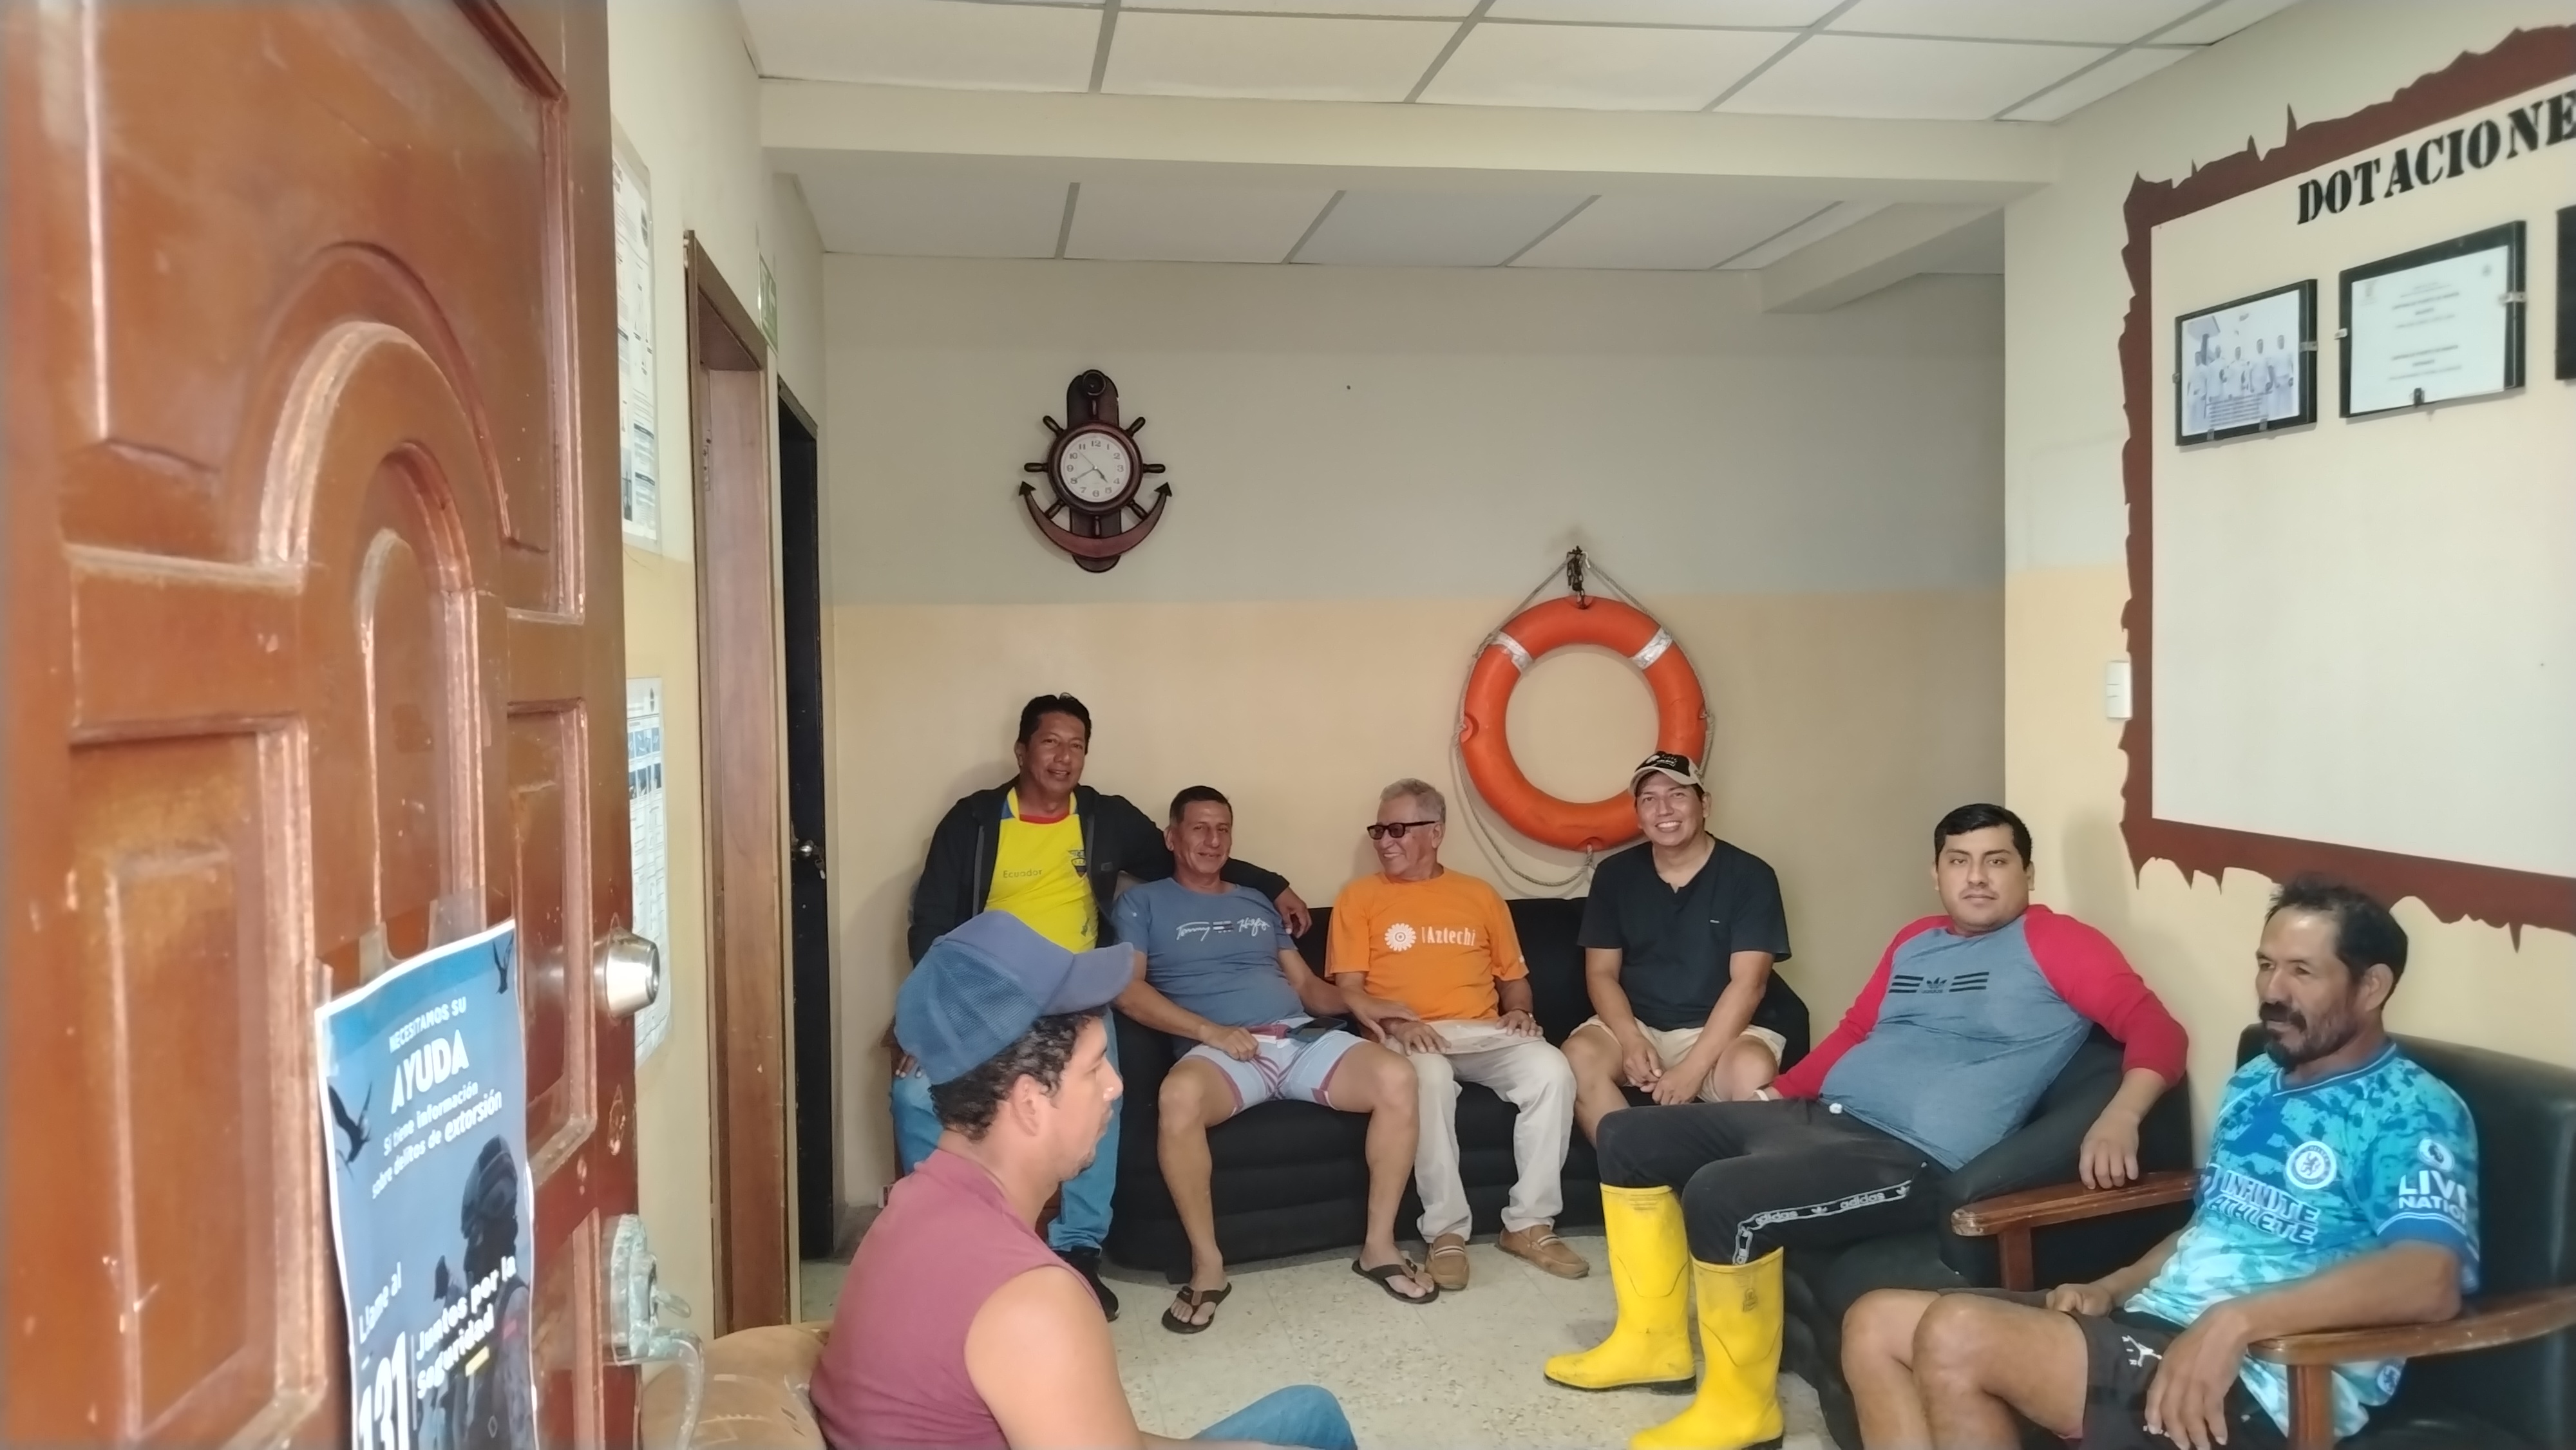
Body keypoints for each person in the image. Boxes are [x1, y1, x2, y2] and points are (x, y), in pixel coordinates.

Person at [1544, 803, 2186, 1450]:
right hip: (1823, 1117)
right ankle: (1652, 1344)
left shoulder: (2059, 942)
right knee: (1630, 1136)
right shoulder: (1915, 939)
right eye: (1959, 861)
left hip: (1908, 1156)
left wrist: (2122, 1113)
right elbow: (1855, 1030)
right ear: (1936, 873)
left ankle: (1740, 1409)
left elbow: (2157, 1029)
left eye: (1996, 861)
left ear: (2027, 873)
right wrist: (1777, 1094)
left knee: (1721, 1193)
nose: (1976, 877)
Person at [1841, 877, 2476, 1450]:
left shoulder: (2411, 1110)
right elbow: (2214, 1227)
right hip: (2158, 1322)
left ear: (2371, 986)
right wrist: (2114, 1285)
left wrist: (2237, 1321)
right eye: (2265, 964)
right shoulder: (2257, 1081)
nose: (2272, 991)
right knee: (1875, 1324)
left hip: (2261, 1379)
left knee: (1958, 1332)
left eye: (2302, 971)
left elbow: (2431, 1278)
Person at [814, 910, 1359, 1450]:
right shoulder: (1034, 1300)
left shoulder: (910, 1205)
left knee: (1309, 1411)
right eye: (1095, 1067)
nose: (1116, 1086)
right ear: (1030, 1103)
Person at [892, 693, 1311, 1318]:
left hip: (1078, 985)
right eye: (1050, 742)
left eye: (1076, 746)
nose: (1064, 757)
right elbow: (929, 920)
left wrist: (1272, 884)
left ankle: (1078, 1247)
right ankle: (943, 1242)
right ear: (1022, 751)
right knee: (914, 1093)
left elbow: (1187, 852)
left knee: (1101, 1091)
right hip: (989, 989)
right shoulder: (975, 821)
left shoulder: (1102, 817)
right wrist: (932, 1011)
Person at [1112, 786, 1435, 1331]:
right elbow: (1129, 991)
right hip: (1221, 1050)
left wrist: (1361, 1002)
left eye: (1223, 829)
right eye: (1199, 828)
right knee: (1178, 1096)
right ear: (1172, 838)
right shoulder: (1142, 904)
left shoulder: (1256, 901)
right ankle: (1208, 1266)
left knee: (1397, 1077)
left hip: (1298, 1037)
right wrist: (1211, 1032)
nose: (1213, 840)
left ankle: (1379, 1247)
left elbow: (1308, 988)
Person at [1327, 778, 1586, 1290]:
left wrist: (1520, 1011)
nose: (1384, 841)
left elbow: (1514, 979)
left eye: (1398, 829)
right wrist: (1399, 1023)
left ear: (1436, 832)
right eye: (1379, 830)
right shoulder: (1359, 897)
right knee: (1428, 1077)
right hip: (1404, 1034)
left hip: (1482, 1032)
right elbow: (1349, 990)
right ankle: (1445, 1232)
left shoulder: (1479, 895)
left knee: (1552, 1069)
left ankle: (1529, 1224)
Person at [1564, 752, 1803, 1144]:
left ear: (1704, 804)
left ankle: (1727, 1183)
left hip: (1721, 1031)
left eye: (1677, 795)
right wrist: (1631, 1039)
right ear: (1639, 816)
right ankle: (1640, 1173)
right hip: (1637, 1025)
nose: (1664, 810)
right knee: (1577, 1058)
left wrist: (1693, 1069)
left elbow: (1749, 984)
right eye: (1650, 799)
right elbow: (1601, 973)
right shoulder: (1615, 876)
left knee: (1753, 1071)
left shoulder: (1750, 876)